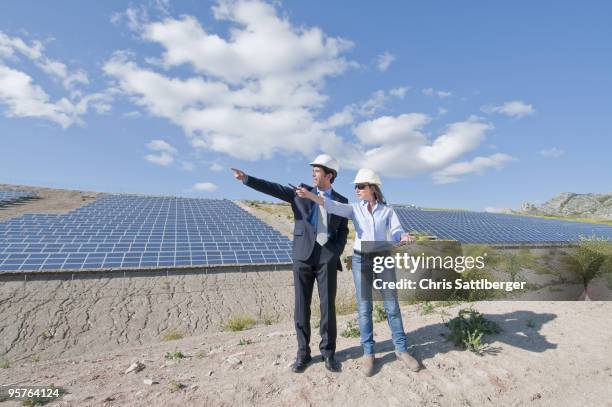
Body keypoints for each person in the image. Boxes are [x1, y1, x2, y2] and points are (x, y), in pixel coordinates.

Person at [296, 168, 421, 377]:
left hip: (383, 259)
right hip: (360, 260)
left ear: (372, 188)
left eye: (361, 186)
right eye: (355, 186)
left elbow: (397, 230)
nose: (356, 189)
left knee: (391, 305)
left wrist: (403, 237)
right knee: (365, 308)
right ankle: (368, 353)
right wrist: (311, 195)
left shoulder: (387, 211)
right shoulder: (355, 209)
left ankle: (401, 350)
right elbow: (332, 205)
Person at [231, 154, 349, 373]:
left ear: (329, 175)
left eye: (317, 171)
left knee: (327, 308)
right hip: (303, 256)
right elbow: (273, 188)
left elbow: (343, 230)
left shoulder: (341, 201)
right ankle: (303, 354)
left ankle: (328, 354)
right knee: (301, 307)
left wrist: (335, 252)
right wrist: (247, 179)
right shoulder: (300, 192)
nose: (313, 174)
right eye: (312, 171)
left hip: (327, 258)